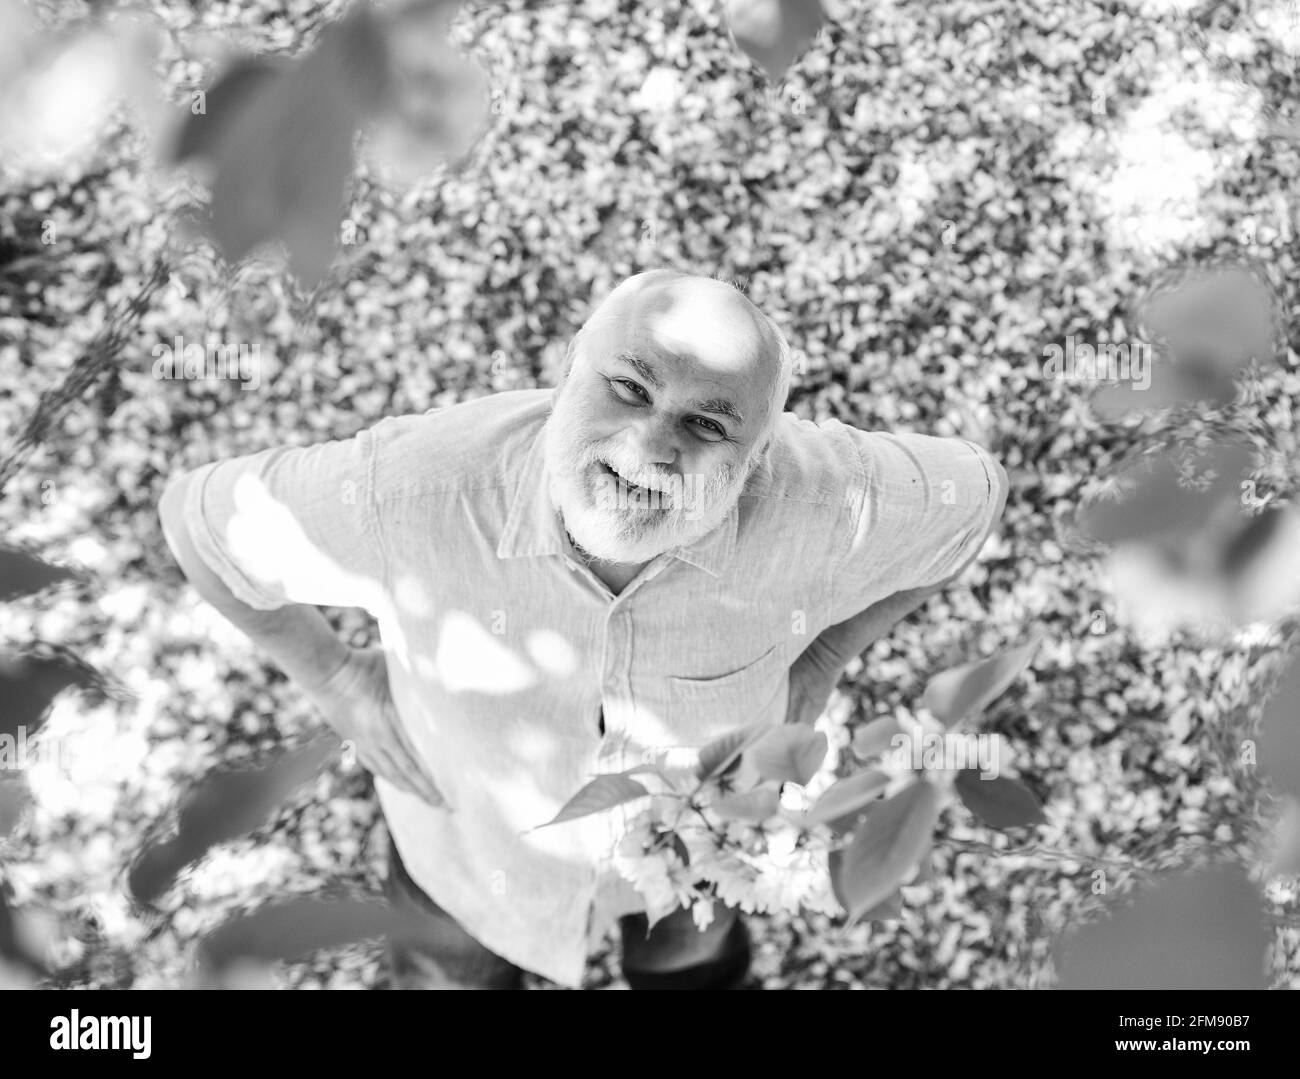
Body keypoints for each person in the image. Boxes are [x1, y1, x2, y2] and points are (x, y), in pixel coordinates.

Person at [158, 268, 1009, 989]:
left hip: (700, 856)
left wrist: (824, 656)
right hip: (468, 855)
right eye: (628, 388)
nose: (646, 448)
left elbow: (972, 504)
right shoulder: (410, 492)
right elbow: (197, 522)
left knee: (692, 967)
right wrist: (338, 680)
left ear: (760, 457)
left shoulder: (830, 504)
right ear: (568, 372)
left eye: (707, 425)